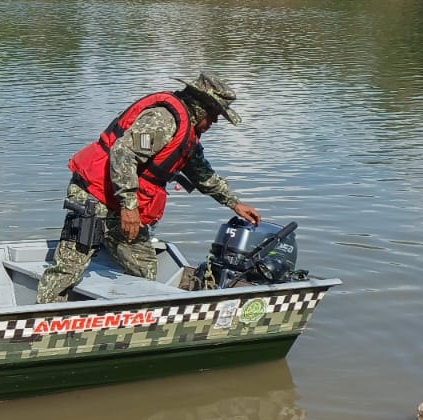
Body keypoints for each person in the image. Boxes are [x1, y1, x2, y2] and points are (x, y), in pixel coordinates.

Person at [36, 72, 262, 304]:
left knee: (144, 269)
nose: (214, 123)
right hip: (94, 196)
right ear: (201, 107)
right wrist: (129, 207)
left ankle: (129, 321)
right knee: (69, 267)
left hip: (120, 204)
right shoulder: (163, 119)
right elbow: (123, 153)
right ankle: (42, 323)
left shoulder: (188, 132)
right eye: (214, 116)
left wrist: (234, 202)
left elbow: (202, 174)